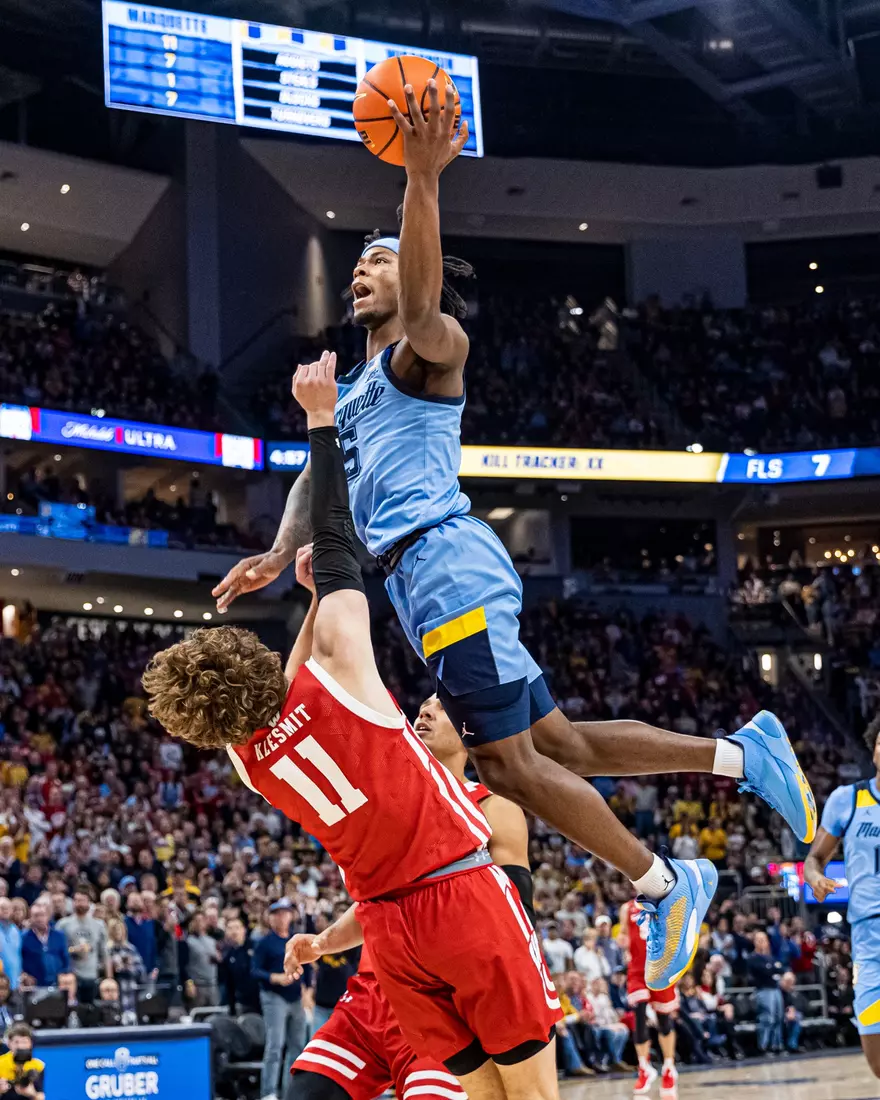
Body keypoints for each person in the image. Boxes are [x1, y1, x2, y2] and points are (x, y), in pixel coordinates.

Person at [214, 80, 815, 993]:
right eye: (359, 266)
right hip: (421, 582)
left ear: (412, 271)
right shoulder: (354, 389)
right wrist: (275, 548)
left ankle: (664, 883)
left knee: (503, 765)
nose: (360, 274)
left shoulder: (430, 353)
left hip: (443, 564)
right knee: (562, 748)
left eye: (377, 262)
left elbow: (423, 308)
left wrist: (422, 182)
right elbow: (315, 476)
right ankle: (744, 753)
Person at [143, 359, 563, 1100]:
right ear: (249, 655)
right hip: (458, 892)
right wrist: (319, 420)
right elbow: (337, 539)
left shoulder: (249, 764)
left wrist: (313, 602)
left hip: (390, 934)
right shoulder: (341, 677)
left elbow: (284, 691)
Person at [289, 691, 537, 1100]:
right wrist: (324, 942)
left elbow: (517, 915)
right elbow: (378, 901)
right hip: (372, 995)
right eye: (423, 706)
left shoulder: (492, 806)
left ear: (470, 733)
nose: (426, 711)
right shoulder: (384, 802)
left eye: (441, 707)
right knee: (304, 1093)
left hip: (443, 999)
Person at [805, 717, 880, 1078]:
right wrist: (816, 878)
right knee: (877, 1059)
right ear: (873, 748)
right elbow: (814, 859)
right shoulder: (848, 799)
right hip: (868, 937)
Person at [250, 899, 313, 1100]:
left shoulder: (296, 940)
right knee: (275, 1045)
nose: (281, 917)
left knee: (298, 1046)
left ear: (291, 916)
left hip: (296, 997)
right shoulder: (265, 942)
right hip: (274, 996)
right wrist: (273, 977)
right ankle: (268, 1092)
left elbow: (307, 966)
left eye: (285, 913)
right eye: (277, 914)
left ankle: (290, 1092)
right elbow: (254, 970)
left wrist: (307, 990)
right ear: (270, 918)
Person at [620, 897, 678, 1096]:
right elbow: (623, 935)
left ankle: (669, 1067)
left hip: (660, 968)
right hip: (637, 970)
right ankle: (644, 1067)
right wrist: (623, 943)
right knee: (639, 1014)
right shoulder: (627, 908)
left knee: (664, 1020)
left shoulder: (665, 902)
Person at [56, 886, 109, 1003]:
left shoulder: (99, 925)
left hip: (92, 975)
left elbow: (105, 953)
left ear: (89, 903)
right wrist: (73, 950)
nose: (79, 903)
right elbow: (57, 951)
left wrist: (109, 978)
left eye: (82, 900)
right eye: (76, 900)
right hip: (71, 976)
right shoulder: (63, 924)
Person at [747, 931, 784, 1054]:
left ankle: (776, 1045)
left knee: (778, 1017)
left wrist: (772, 969)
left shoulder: (770, 958)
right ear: (755, 942)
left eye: (764, 939)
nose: (762, 942)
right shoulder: (753, 958)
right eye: (759, 940)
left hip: (775, 989)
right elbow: (764, 972)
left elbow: (780, 969)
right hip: (763, 990)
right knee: (767, 1018)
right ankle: (763, 1046)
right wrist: (773, 969)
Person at [218, 915, 260, 1015]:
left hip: (261, 1000)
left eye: (237, 927)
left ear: (244, 929)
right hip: (243, 1002)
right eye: (230, 928)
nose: (234, 932)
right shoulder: (228, 955)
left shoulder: (256, 947)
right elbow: (229, 984)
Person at [20, 903, 68, 988]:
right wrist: (24, 975)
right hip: (33, 986)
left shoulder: (59, 936)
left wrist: (65, 974)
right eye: (36, 916)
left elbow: (66, 958)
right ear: (31, 917)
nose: (39, 919)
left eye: (42, 915)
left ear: (48, 916)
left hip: (57, 985)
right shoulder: (23, 937)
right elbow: (19, 959)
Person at [0, 1023, 43, 1100]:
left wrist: (33, 1094)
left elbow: (41, 1097)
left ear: (30, 1044)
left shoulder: (38, 1066)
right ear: (9, 1043)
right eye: (16, 1042)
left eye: (24, 1042)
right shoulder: (1, 1063)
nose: (20, 1046)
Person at [779, 971, 806, 1054]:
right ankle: (781, 1046)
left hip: (789, 1014)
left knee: (797, 1017)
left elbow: (792, 1005)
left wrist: (792, 1011)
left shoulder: (790, 992)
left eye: (792, 982)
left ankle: (792, 1045)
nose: (791, 985)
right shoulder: (777, 992)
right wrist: (787, 1013)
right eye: (789, 982)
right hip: (779, 1014)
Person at [0, 901, 22, 993]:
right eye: (2, 908)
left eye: (7, 908)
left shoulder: (15, 930)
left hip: (15, 983)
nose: (5, 910)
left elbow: (19, 956)